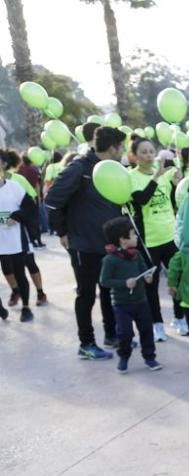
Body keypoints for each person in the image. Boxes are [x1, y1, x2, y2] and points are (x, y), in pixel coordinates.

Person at [47, 126, 126, 360]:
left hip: (108, 243)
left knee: (108, 289)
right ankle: (86, 343)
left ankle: (111, 334)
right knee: (86, 294)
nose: (122, 151)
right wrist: (62, 231)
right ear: (112, 148)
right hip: (83, 244)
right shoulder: (80, 168)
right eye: (121, 147)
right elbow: (52, 201)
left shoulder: (113, 169)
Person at [128, 135, 185, 340]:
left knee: (177, 280)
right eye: (143, 152)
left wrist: (178, 183)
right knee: (150, 286)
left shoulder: (165, 175)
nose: (149, 156)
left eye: (151, 151)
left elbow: (171, 202)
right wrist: (155, 177)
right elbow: (141, 200)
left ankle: (180, 318)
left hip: (171, 236)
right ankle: (157, 324)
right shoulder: (131, 177)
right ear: (134, 156)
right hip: (149, 241)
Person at [99, 217, 162, 373]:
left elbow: (143, 270)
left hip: (141, 301)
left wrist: (148, 277)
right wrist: (124, 283)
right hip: (121, 304)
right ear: (123, 240)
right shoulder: (110, 260)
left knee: (146, 329)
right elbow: (105, 281)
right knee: (125, 333)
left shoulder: (137, 255)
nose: (136, 237)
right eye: (133, 235)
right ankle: (124, 357)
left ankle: (149, 357)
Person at [4, 151, 47, 307]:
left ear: (4, 164)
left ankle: (40, 292)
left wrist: (18, 217)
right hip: (2, 237)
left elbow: (32, 202)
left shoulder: (17, 180)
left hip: (20, 233)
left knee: (29, 263)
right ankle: (16, 291)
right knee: (6, 267)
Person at [0, 149, 39, 322]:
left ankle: (26, 307)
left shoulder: (14, 187)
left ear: (3, 164)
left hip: (15, 239)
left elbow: (31, 208)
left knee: (20, 273)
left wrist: (16, 216)